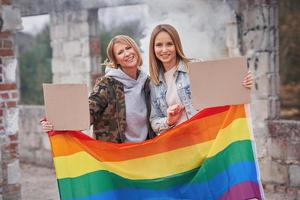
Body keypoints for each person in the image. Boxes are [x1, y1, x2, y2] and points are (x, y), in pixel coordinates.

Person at [41, 35, 156, 143]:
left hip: (145, 154)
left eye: (128, 48)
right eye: (120, 52)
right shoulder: (107, 85)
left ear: (135, 49)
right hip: (115, 156)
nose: (127, 54)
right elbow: (87, 112)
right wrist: (56, 122)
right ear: (116, 60)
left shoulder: (148, 83)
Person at [148, 24, 253, 133]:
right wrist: (168, 121)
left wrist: (243, 85)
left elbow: (221, 96)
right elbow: (154, 121)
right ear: (153, 48)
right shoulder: (153, 83)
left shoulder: (195, 67)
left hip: (204, 139)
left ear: (176, 45)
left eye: (169, 44)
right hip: (177, 145)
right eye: (159, 45)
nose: (164, 50)